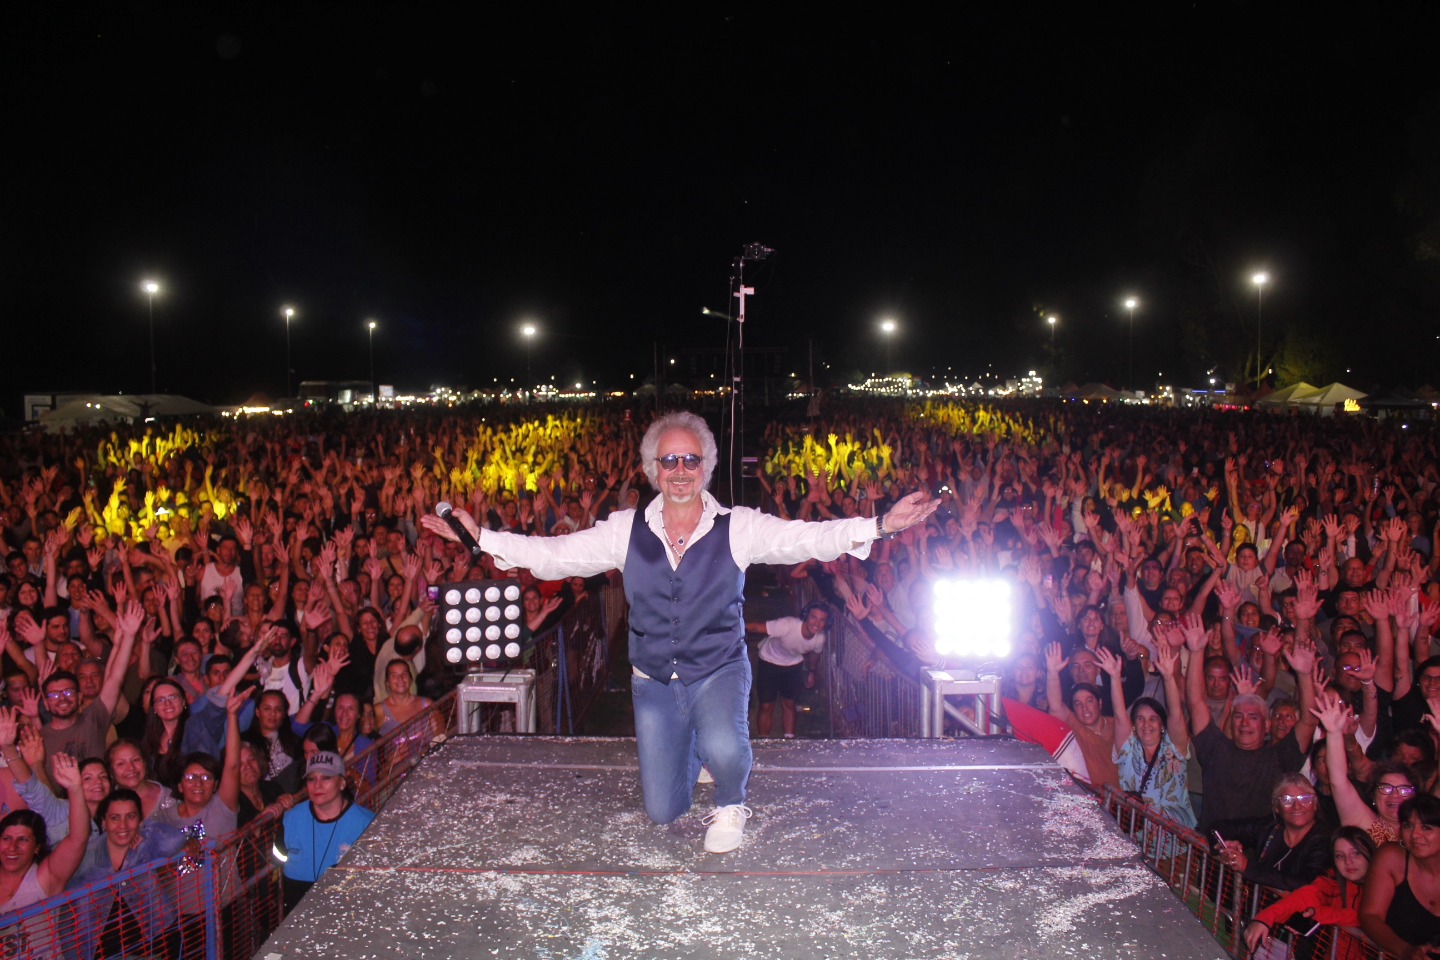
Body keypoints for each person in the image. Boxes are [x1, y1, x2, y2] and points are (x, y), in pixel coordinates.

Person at [421, 410, 937, 853]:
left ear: (705, 466)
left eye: (691, 460)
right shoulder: (625, 529)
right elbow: (554, 556)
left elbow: (806, 538)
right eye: (669, 461)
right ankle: (695, 750)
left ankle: (730, 802)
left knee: (726, 746)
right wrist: (481, 537)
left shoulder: (739, 526)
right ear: (654, 469)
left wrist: (880, 525)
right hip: (653, 678)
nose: (681, 471)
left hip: (718, 667)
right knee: (663, 810)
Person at [69, 788, 187, 960]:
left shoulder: (145, 846)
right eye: (115, 818)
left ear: (139, 819)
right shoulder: (87, 856)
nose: (123, 825)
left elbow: (175, 840)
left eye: (131, 816)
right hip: (104, 952)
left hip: (157, 944)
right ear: (104, 822)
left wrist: (145, 831)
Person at [1243, 826, 1376, 960]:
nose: (1348, 861)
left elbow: (1367, 918)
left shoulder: (1384, 887)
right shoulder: (1333, 883)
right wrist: (1264, 919)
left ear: (1370, 853)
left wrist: (1320, 914)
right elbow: (1305, 896)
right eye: (1340, 855)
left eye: (1356, 853)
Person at [278, 750, 374, 913]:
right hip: (297, 918)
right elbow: (278, 861)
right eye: (311, 779)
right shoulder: (290, 819)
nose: (317, 785)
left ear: (342, 783)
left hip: (346, 915)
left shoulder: (367, 824)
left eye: (326, 777)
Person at [0, 754, 92, 912]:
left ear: (37, 847)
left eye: (23, 840)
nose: (12, 847)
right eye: (6, 838)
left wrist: (75, 789)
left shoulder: (46, 879)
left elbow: (78, 839)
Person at [1214, 773, 1333, 893]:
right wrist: (1226, 846)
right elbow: (1219, 828)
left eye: (1305, 799)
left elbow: (1307, 883)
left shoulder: (1325, 840)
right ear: (1277, 807)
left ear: (1315, 804)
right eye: (1287, 800)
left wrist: (1247, 867)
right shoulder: (1270, 827)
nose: (1297, 806)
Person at [1360, 794, 1440, 958]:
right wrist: (1405, 951)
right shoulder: (1391, 858)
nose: (1415, 834)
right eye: (1408, 825)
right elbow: (1370, 916)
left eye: (1426, 828)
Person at [746, 603, 830, 739]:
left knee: (789, 704)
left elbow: (815, 655)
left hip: (793, 665)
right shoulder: (788, 625)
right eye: (813, 617)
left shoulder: (820, 638)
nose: (816, 623)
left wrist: (812, 672)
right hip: (769, 661)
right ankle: (764, 741)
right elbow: (756, 627)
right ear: (806, 616)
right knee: (766, 706)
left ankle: (789, 740)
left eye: (822, 620)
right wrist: (736, 628)